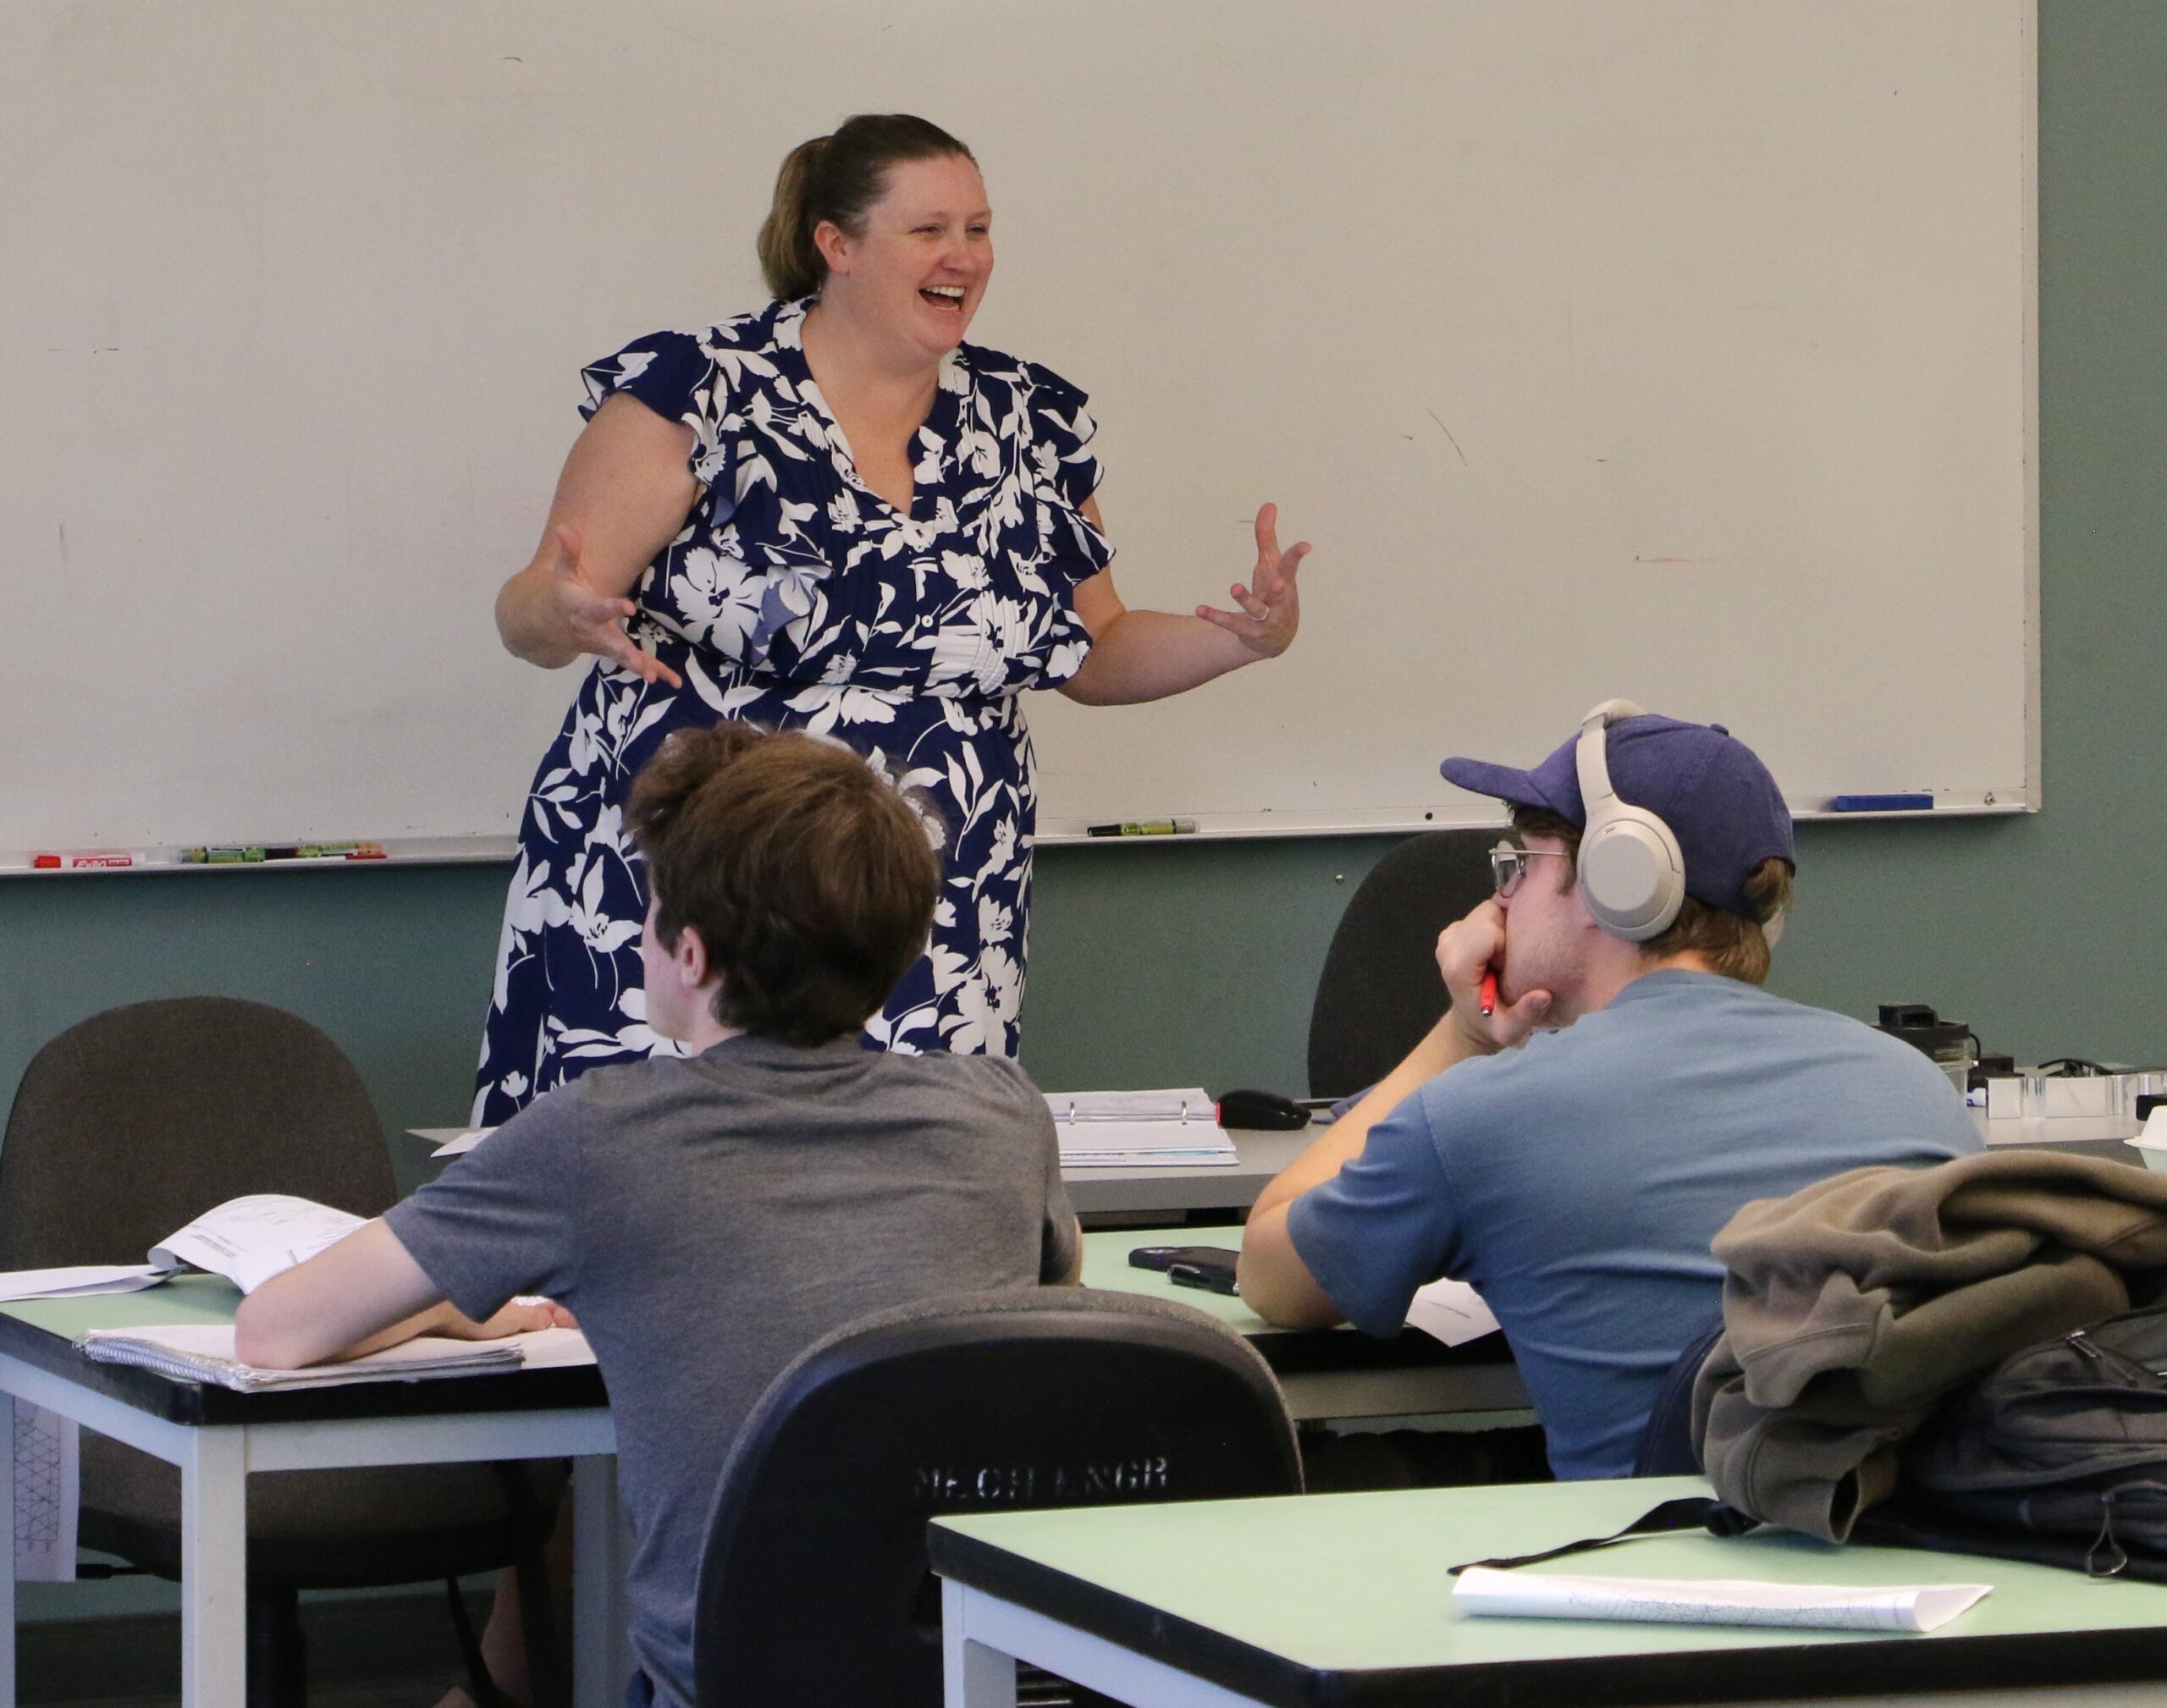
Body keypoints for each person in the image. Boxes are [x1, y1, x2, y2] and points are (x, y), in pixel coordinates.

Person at [476, 112, 1313, 1121]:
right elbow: (530, 609)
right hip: (702, 887)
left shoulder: (1025, 420)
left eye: (979, 228)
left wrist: (1240, 637)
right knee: (649, 1185)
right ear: (836, 244)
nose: (964, 257)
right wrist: (560, 614)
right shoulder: (699, 393)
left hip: (930, 896)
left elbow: (1094, 651)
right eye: (929, 231)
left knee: (902, 1186)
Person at [238, 724, 1081, 1708]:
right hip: (971, 1669)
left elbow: (276, 1328)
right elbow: (1045, 1300)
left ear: (689, 951)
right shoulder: (1001, 1109)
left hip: (726, 1678)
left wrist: (439, 1309)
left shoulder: (596, 1136)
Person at [1237, 702, 1983, 1479]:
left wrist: (1459, 1035)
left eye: (1521, 867)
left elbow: (1271, 1277)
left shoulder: (1484, 1116)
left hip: (1644, 1570)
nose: (1500, 901)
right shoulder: (1918, 1088)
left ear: (1615, 881)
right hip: (1902, 1556)